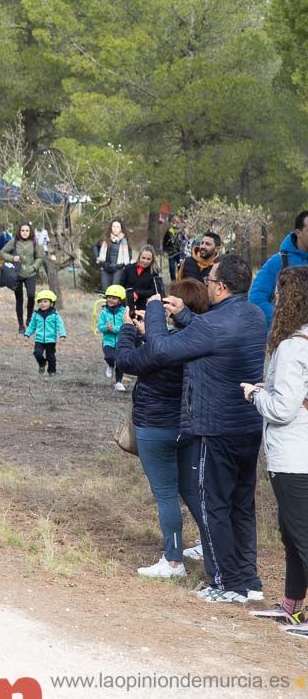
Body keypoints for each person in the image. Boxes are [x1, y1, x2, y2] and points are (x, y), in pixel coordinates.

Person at [131, 255, 267, 604]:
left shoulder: (211, 326)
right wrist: (186, 314)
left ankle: (225, 583)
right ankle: (248, 580)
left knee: (213, 506)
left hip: (215, 428)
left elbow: (160, 349)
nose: (206, 284)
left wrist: (157, 312)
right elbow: (215, 334)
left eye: (210, 280)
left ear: (221, 287)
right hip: (248, 426)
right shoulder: (253, 315)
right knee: (241, 505)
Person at [116, 279, 214, 579]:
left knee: (166, 495)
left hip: (155, 427)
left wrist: (129, 329)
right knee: (192, 492)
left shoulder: (162, 347)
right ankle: (213, 549)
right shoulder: (201, 340)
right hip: (187, 426)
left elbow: (123, 360)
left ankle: (173, 561)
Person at [242, 266, 308, 630]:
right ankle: (293, 605)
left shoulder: (291, 348)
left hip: (294, 455)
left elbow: (282, 410)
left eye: (280, 294)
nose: (275, 300)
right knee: (292, 533)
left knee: (301, 535)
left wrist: (256, 394)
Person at [249, 211, 308, 324]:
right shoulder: (279, 262)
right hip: (287, 337)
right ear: (298, 232)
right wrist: (283, 321)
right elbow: (256, 298)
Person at [0, 222, 45, 333]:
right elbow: (2, 252)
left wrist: (34, 267)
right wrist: (12, 258)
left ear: (30, 232)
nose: (25, 233)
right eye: (23, 230)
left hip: (30, 273)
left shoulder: (34, 241)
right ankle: (21, 325)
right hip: (17, 274)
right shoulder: (14, 241)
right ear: (19, 231)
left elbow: (39, 256)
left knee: (31, 295)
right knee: (19, 299)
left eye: (27, 231)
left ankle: (29, 319)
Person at [24, 289, 66, 376]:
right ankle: (42, 363)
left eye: (45, 301)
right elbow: (32, 325)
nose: (42, 303)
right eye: (40, 301)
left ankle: (52, 371)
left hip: (50, 340)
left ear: (51, 303)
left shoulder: (55, 314)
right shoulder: (36, 314)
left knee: (51, 357)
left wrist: (62, 335)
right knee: (37, 353)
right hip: (39, 339)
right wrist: (27, 334)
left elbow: (60, 325)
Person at [97, 285, 128, 391]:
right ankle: (110, 365)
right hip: (108, 341)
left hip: (121, 342)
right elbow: (100, 327)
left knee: (120, 362)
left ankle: (119, 382)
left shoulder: (124, 312)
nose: (110, 299)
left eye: (114, 298)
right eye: (109, 297)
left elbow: (125, 327)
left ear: (120, 300)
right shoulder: (104, 312)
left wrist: (113, 328)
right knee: (109, 357)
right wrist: (106, 327)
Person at [122, 245, 163, 313]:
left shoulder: (154, 272)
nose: (145, 261)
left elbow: (153, 291)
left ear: (152, 260)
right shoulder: (128, 268)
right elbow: (121, 285)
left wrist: (138, 293)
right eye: (143, 258)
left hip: (143, 305)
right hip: (126, 303)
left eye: (148, 259)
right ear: (139, 257)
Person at [96, 220, 131, 292]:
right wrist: (100, 260)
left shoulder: (124, 241)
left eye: (117, 227)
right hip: (105, 268)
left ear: (121, 229)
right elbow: (96, 247)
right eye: (113, 226)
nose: (115, 228)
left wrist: (122, 265)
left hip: (118, 268)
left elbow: (128, 255)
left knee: (115, 292)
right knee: (105, 291)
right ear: (111, 228)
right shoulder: (105, 239)